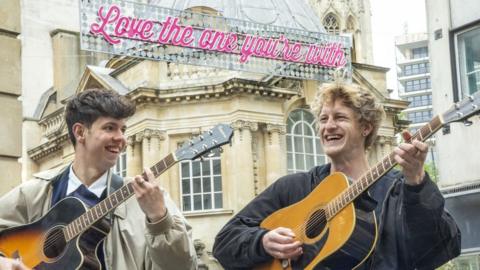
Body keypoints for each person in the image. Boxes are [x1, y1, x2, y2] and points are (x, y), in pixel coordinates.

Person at [213, 83, 461, 269]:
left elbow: (443, 246)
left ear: (366, 128)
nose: (328, 126)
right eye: (323, 119)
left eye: (340, 118)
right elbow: (224, 242)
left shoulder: (398, 190)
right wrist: (263, 241)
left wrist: (417, 182)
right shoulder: (293, 189)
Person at [0, 88, 197, 270]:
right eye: (110, 128)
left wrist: (159, 219)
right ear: (80, 132)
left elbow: (183, 266)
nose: (121, 138)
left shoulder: (149, 199)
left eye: (123, 129)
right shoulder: (36, 193)